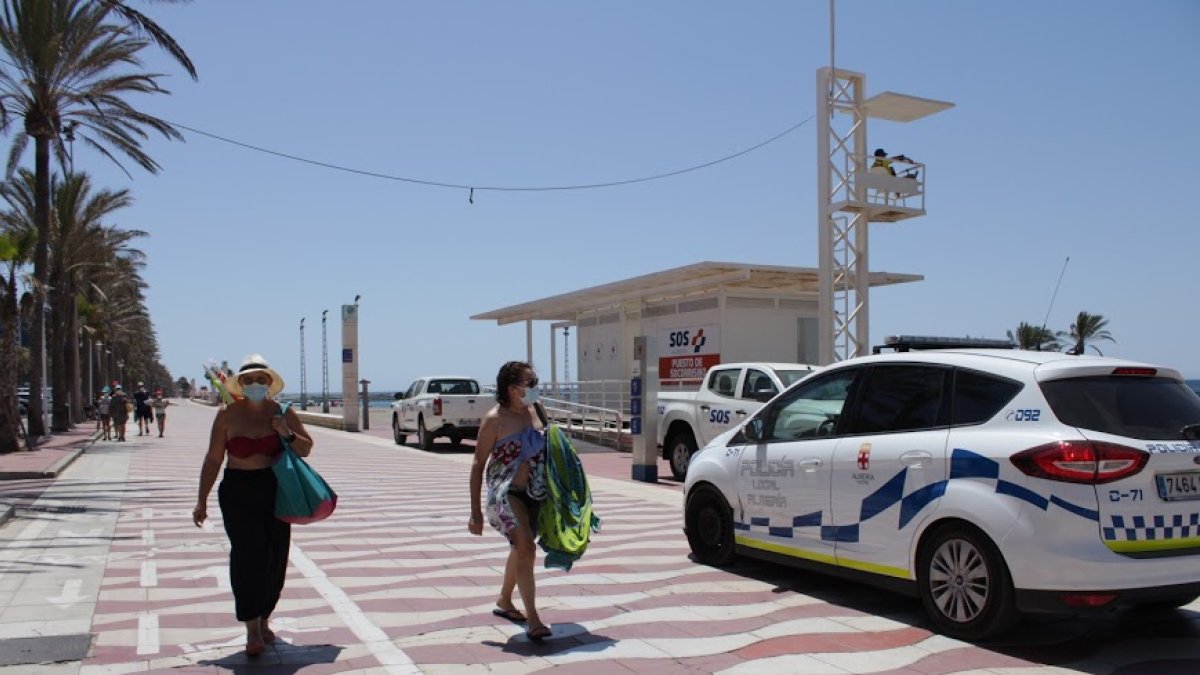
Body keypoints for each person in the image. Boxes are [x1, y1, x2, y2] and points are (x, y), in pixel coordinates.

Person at [193, 354, 314, 657]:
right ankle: (251, 629)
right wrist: (201, 500)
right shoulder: (227, 415)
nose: (256, 384)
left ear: (270, 383)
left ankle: (264, 617)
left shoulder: (284, 412)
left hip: (275, 489)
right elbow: (213, 458)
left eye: (262, 379)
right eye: (249, 380)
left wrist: (284, 431)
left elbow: (306, 449)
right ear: (241, 384)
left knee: (275, 557)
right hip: (238, 491)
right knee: (248, 556)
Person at [468, 361, 551, 641]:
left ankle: (505, 600)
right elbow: (478, 464)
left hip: (536, 492)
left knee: (520, 547)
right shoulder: (495, 419)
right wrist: (475, 513)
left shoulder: (537, 410)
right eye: (531, 382)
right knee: (526, 547)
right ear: (513, 389)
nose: (536, 387)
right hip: (505, 493)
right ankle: (534, 620)